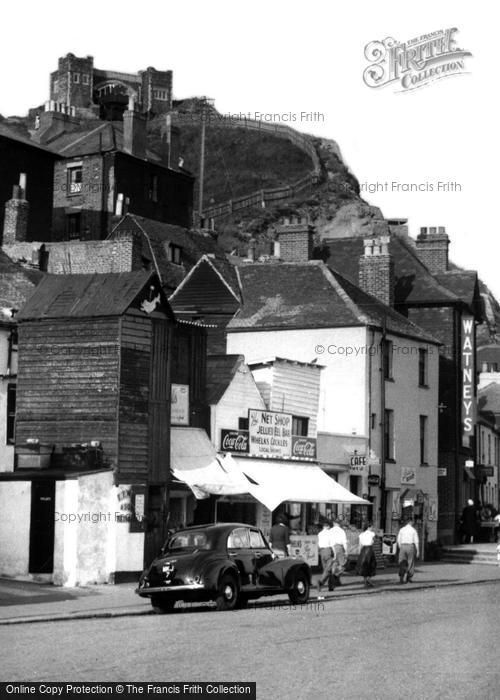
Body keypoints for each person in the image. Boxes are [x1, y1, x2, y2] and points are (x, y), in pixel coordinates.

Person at [396, 518, 419, 584]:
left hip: (403, 546)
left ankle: (401, 577)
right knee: (410, 562)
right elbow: (416, 541)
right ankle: (409, 577)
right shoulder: (413, 530)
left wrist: (401, 547)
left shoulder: (402, 529)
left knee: (402, 562)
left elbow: (398, 540)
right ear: (411, 522)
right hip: (410, 546)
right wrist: (418, 550)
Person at [316, 520, 335, 599]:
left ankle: (330, 586)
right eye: (329, 526)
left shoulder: (319, 533)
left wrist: (319, 551)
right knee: (328, 569)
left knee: (325, 569)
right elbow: (332, 544)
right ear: (327, 526)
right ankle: (320, 582)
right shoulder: (330, 533)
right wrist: (335, 553)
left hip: (321, 551)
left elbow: (318, 543)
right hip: (328, 550)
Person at [330, 518, 348, 586]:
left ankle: (335, 580)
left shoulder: (330, 530)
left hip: (331, 547)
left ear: (334, 523)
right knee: (342, 564)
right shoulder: (341, 531)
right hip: (339, 547)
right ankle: (335, 576)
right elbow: (344, 542)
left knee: (334, 563)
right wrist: (346, 551)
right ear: (339, 523)